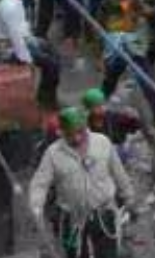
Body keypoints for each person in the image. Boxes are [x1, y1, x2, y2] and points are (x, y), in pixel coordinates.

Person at [29, 107, 134, 258]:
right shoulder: (52, 154)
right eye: (71, 135)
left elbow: (118, 171)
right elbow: (40, 183)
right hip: (71, 217)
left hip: (103, 212)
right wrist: (36, 205)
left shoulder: (102, 143)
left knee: (109, 253)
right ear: (62, 133)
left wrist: (128, 194)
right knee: (74, 253)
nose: (77, 138)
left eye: (80, 132)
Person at [0, 0, 60, 108]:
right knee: (51, 65)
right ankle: (46, 100)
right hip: (11, 48)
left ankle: (46, 95)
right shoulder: (10, 6)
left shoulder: (9, 1)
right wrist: (26, 58)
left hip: (24, 40)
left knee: (52, 52)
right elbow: (15, 36)